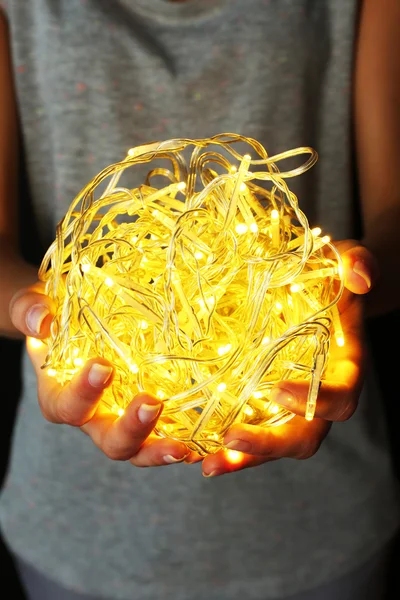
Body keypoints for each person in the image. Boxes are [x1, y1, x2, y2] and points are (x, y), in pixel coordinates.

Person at [0, 0, 399, 599]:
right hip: (79, 532)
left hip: (320, 528)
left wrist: (348, 287)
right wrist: (37, 312)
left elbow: (394, 223)